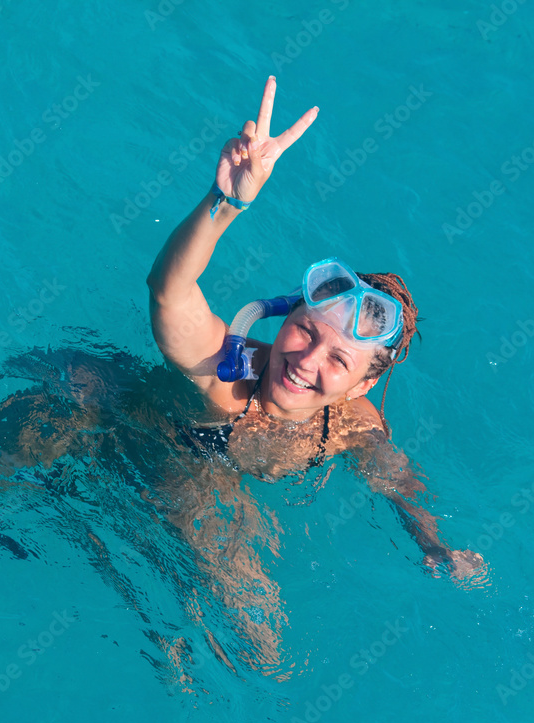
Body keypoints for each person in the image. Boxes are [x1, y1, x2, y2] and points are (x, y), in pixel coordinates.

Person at [147, 77, 483, 579]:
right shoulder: (223, 369)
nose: (306, 361)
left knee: (255, 627)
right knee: (236, 571)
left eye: (339, 359)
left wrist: (434, 544)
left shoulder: (355, 424)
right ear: (285, 316)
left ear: (363, 383)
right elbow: (168, 289)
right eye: (307, 331)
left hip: (201, 488)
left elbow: (398, 482)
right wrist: (225, 203)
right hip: (111, 426)